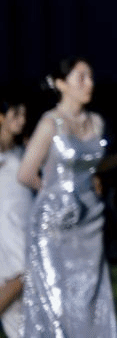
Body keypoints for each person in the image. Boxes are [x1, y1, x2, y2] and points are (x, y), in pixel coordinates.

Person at [17, 58, 117, 336]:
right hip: (54, 225)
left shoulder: (96, 121)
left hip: (91, 220)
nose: (90, 83)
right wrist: (55, 194)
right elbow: (25, 174)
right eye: (81, 77)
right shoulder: (50, 123)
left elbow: (93, 165)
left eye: (91, 76)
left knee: (89, 296)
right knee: (57, 299)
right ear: (61, 84)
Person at [0, 98, 30, 337]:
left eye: (24, 115)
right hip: (5, 226)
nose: (21, 120)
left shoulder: (23, 149)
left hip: (23, 221)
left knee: (20, 317)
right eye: (16, 114)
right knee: (26, 272)